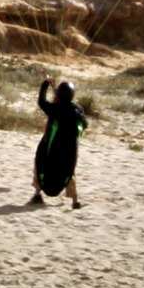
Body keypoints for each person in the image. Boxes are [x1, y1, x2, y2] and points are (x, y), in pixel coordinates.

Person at [31, 76, 87, 208]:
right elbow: (85, 123)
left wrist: (45, 85)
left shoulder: (54, 109)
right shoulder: (78, 110)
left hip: (50, 147)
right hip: (69, 150)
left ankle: (37, 193)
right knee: (68, 170)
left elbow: (41, 101)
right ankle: (75, 200)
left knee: (40, 164)